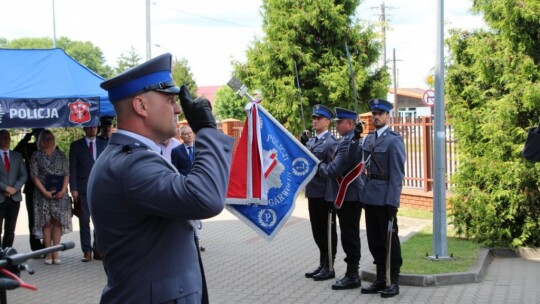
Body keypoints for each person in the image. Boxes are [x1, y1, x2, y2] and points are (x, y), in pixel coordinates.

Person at [88, 53, 234, 304]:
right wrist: (207, 131)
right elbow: (207, 198)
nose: (177, 108)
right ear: (141, 106)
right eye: (169, 99)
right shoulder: (131, 163)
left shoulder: (132, 157)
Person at [359, 98, 405, 298]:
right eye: (374, 114)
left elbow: (397, 174)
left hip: (385, 198)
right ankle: (379, 279)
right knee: (374, 240)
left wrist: (393, 202)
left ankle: (393, 281)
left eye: (380, 114)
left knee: (389, 241)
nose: (376, 117)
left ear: (388, 116)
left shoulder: (394, 140)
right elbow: (361, 168)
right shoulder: (368, 139)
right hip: (370, 197)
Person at [317, 107, 364, 290]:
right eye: (336, 122)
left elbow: (333, 170)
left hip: (350, 197)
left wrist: (318, 166)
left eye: (340, 122)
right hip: (348, 196)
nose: (336, 125)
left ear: (350, 123)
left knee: (350, 236)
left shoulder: (349, 141)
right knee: (348, 235)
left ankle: (352, 275)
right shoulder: (348, 140)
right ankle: (351, 273)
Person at [300, 105, 338, 281]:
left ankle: (329, 266)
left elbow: (333, 170)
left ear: (327, 122)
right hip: (313, 192)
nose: (315, 121)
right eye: (313, 118)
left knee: (327, 231)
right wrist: (301, 145)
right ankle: (322, 263)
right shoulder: (312, 142)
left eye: (319, 118)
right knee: (317, 231)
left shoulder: (331, 143)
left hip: (325, 193)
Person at [30, 129, 72, 265]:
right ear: (41, 140)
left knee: (57, 222)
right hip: (42, 195)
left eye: (51, 138)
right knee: (46, 223)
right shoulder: (36, 155)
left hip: (60, 194)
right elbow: (34, 175)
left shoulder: (61, 154)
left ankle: (56, 252)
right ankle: (48, 252)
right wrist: (44, 191)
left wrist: (64, 190)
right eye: (46, 138)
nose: (49, 141)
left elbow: (67, 173)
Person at [69, 126, 107, 262]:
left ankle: (98, 250)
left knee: (100, 221)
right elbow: (72, 168)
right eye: (90, 127)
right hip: (83, 189)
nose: (93, 129)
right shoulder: (76, 146)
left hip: (100, 189)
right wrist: (73, 188)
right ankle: (87, 251)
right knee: (84, 220)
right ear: (85, 128)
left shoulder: (104, 144)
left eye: (95, 127)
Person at [14, 128, 46, 251]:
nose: (39, 137)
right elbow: (16, 151)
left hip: (47, 188)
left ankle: (47, 244)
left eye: (41, 134)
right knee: (33, 218)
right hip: (31, 188)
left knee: (47, 218)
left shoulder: (50, 146)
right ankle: (36, 245)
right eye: (37, 134)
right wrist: (27, 136)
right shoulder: (28, 147)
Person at [0, 130, 28, 249]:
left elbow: (24, 175)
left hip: (14, 198)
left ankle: (6, 255)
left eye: (8, 137)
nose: (6, 139)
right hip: (0, 197)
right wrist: (5, 188)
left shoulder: (17, 156)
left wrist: (14, 189)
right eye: (3, 137)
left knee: (10, 229)